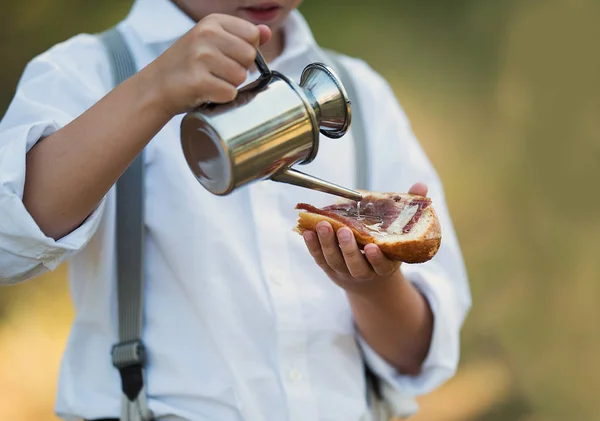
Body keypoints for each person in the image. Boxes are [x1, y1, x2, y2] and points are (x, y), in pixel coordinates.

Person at [0, 0, 471, 420]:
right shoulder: (89, 71)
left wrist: (373, 289)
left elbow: (416, 357)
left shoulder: (361, 93)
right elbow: (9, 244)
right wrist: (152, 92)